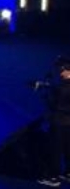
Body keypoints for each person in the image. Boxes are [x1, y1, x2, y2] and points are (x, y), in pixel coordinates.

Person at [40, 59, 70, 187]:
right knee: (68, 149)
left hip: (59, 122)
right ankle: (68, 173)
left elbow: (53, 104)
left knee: (55, 150)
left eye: (62, 70)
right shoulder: (61, 87)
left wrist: (46, 94)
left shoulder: (61, 88)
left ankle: (54, 177)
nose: (60, 73)